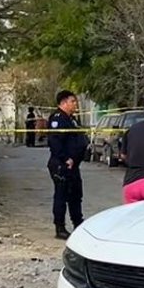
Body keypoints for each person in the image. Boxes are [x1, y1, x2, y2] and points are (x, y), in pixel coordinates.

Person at [48, 90, 88, 239]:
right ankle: (60, 227)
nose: (75, 104)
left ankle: (78, 223)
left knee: (76, 195)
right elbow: (55, 143)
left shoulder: (72, 119)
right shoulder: (57, 119)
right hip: (61, 165)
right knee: (61, 195)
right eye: (72, 101)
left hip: (74, 165)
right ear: (64, 102)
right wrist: (66, 159)